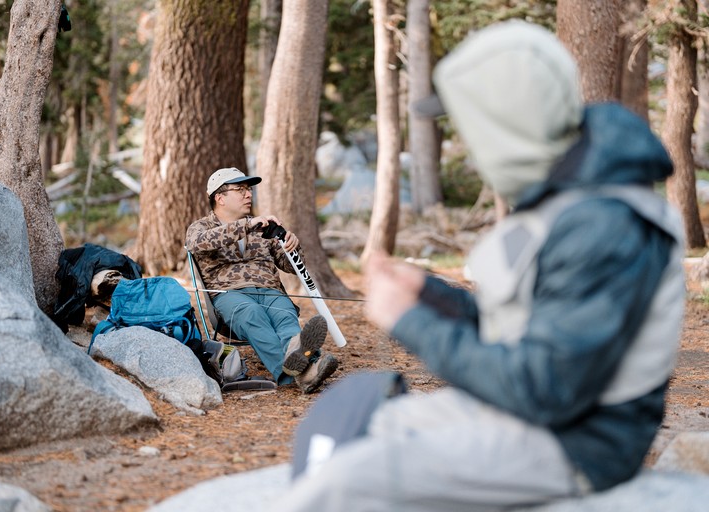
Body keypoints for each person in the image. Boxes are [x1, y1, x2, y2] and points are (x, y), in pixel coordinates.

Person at [275, 20, 685, 511]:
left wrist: (411, 321)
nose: (468, 141)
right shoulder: (573, 193)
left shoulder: (604, 223)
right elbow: (529, 330)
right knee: (367, 427)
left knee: (347, 478)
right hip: (536, 417)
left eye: (468, 123)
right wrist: (431, 296)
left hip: (578, 444)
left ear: (502, 123)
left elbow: (544, 389)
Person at [185, 167, 339, 393]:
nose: (248, 194)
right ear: (220, 197)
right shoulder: (201, 227)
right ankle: (297, 372)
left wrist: (292, 247)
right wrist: (247, 226)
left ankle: (300, 355)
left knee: (284, 317)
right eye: (240, 189)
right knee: (251, 314)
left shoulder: (265, 228)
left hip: (270, 290)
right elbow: (197, 243)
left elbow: (291, 267)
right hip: (230, 295)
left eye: (249, 189)